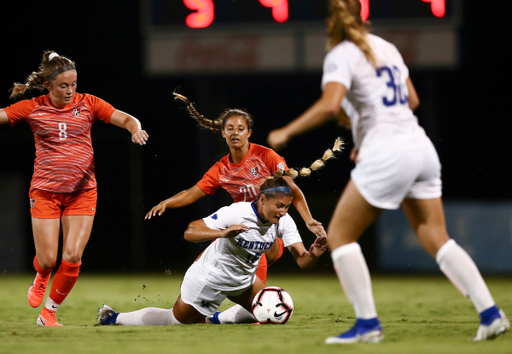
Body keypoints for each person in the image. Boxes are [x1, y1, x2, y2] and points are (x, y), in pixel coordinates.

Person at [267, 0, 509, 343]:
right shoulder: (387, 48)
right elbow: (411, 100)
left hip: (388, 152)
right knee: (434, 235)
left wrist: (286, 132)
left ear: (334, 21)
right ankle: (490, 314)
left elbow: (330, 104)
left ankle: (367, 325)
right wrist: (366, 134)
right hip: (420, 148)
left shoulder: (341, 53)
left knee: (341, 236)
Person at [0, 51, 149, 327]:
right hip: (45, 192)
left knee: (72, 256)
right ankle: (42, 275)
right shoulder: (33, 107)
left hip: (82, 192)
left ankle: (49, 313)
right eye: (63, 86)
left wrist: (134, 129)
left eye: (74, 84)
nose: (70, 91)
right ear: (48, 86)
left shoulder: (89, 103)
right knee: (48, 259)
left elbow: (126, 118)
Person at [145, 93, 328, 285]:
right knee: (201, 266)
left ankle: (258, 301)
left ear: (249, 132)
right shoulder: (221, 169)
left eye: (240, 129)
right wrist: (166, 203)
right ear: (223, 133)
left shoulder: (266, 156)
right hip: (242, 228)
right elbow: (191, 193)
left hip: (267, 235)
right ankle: (210, 311)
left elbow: (293, 190)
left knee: (256, 246)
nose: (235, 133)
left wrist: (308, 220)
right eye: (230, 129)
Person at [98, 177, 328, 326]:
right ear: (262, 199)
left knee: (269, 314)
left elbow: (302, 262)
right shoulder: (236, 213)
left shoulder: (284, 222)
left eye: (287, 206)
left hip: (243, 282)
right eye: (279, 206)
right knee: (175, 320)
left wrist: (314, 255)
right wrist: (222, 233)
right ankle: (114, 318)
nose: (284, 211)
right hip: (209, 279)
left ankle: (216, 318)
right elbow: (190, 231)